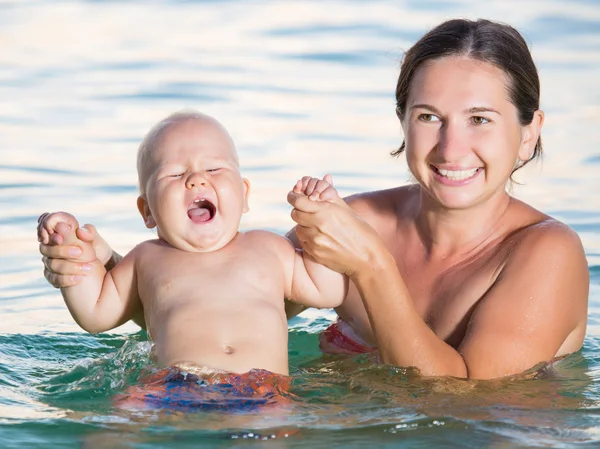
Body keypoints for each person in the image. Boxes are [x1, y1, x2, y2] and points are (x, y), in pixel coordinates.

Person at [39, 18, 589, 381]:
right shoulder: (359, 218)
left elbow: (465, 406)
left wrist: (372, 268)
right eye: (428, 117)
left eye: (480, 120)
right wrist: (106, 266)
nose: (451, 147)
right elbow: (217, 301)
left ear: (531, 130)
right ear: (403, 122)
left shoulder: (545, 254)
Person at [40, 110, 347, 393]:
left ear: (244, 194)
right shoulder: (145, 259)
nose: (196, 179)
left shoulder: (269, 248)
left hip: (262, 388)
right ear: (147, 211)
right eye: (174, 174)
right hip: (172, 384)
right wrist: (71, 250)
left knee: (273, 433)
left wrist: (322, 220)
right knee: (119, 421)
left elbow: (328, 291)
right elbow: (95, 313)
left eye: (214, 168)